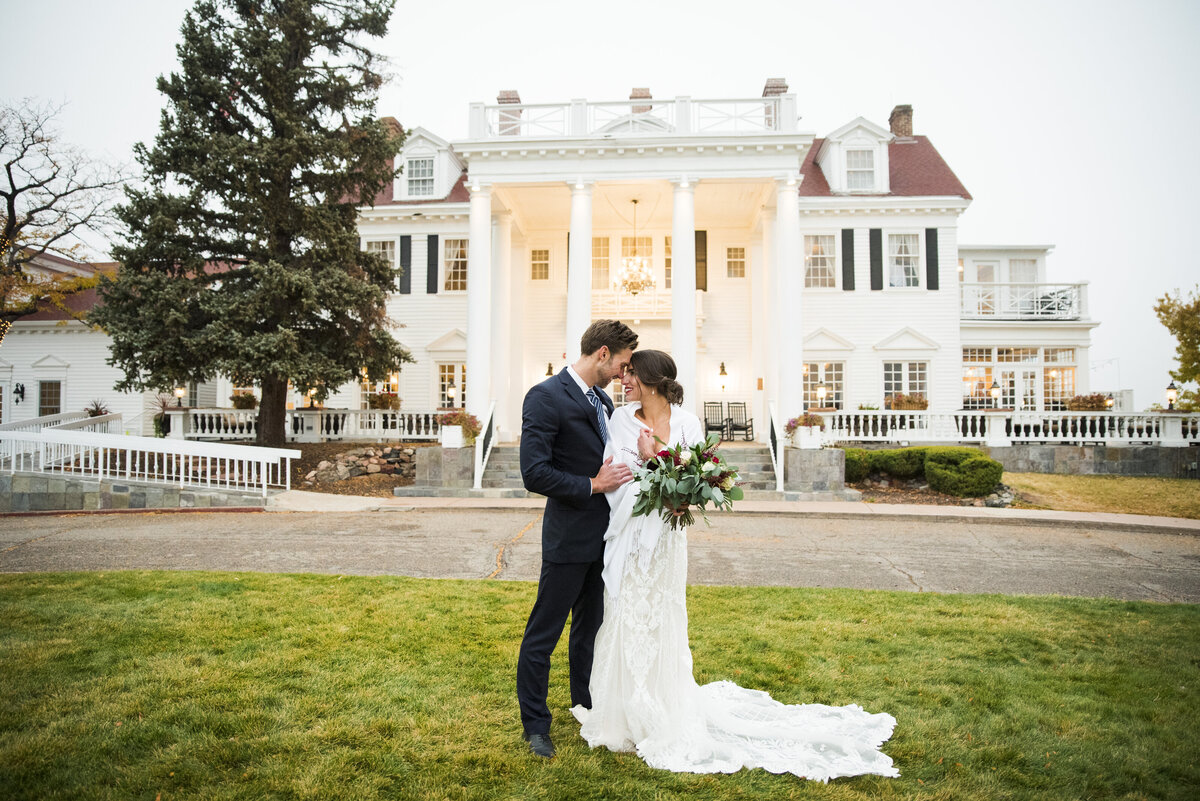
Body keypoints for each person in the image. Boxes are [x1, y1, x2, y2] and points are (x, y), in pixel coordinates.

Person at [573, 349, 900, 780]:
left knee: (661, 616)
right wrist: (648, 466)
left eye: (630, 373)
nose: (623, 378)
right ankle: (623, 714)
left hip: (668, 539)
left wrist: (655, 459)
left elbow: (690, 489)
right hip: (630, 535)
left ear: (651, 380)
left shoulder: (688, 424)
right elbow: (615, 474)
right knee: (627, 614)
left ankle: (661, 706)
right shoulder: (620, 420)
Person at [516, 319, 639, 759]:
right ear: (602, 353)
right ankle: (535, 725)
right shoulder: (546, 396)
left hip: (606, 538)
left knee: (590, 631)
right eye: (623, 365)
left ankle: (585, 706)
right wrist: (592, 484)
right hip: (569, 537)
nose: (625, 376)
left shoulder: (603, 401)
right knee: (544, 633)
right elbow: (534, 472)